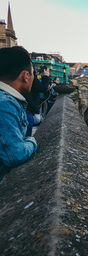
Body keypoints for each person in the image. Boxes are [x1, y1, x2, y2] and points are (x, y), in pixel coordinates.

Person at [0, 46, 38, 178]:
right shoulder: (5, 104)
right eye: (33, 73)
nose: (34, 78)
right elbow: (15, 155)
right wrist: (32, 141)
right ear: (26, 76)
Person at [25, 66, 51, 136]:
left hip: (29, 107)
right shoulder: (31, 78)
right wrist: (46, 77)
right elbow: (42, 88)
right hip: (29, 109)